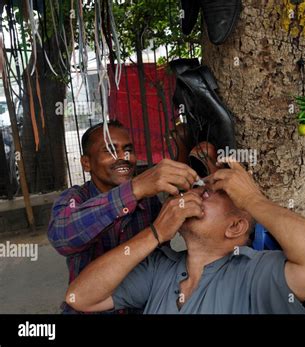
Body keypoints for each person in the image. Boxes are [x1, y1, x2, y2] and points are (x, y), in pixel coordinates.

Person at [65, 160, 305, 314]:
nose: (195, 194)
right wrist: (154, 233)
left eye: (209, 193)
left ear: (235, 227)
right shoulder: (161, 268)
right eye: (198, 188)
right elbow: (80, 297)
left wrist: (251, 199)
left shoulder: (253, 274)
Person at [48, 120, 199, 313]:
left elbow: (161, 256)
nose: (123, 157)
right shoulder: (74, 199)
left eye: (128, 149)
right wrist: (133, 190)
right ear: (86, 163)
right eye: (110, 150)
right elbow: (62, 236)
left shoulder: (148, 201)